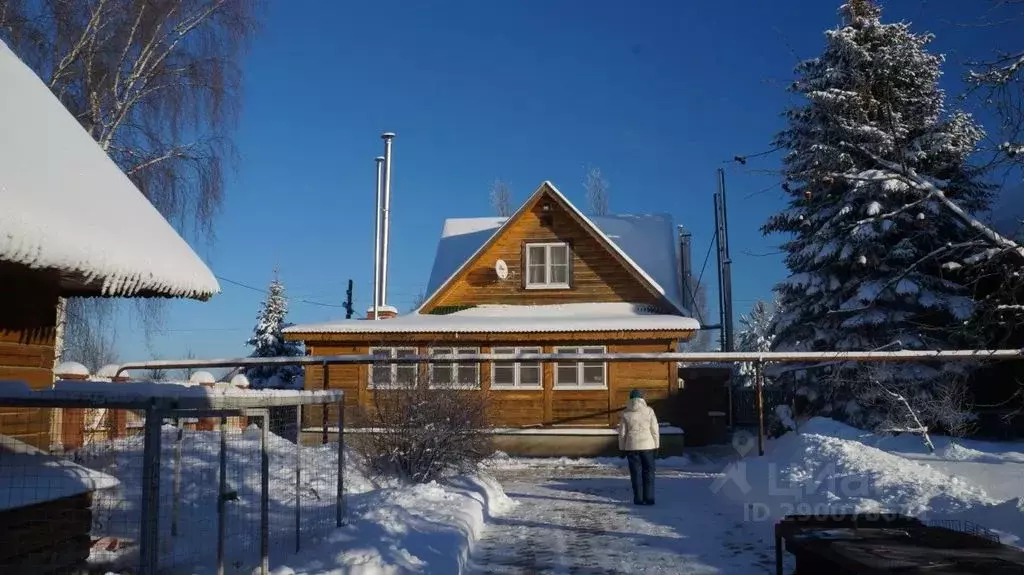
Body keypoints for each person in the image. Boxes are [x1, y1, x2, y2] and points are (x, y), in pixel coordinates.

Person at [618, 388, 660, 505]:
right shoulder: (649, 411)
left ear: (630, 398)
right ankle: (649, 498)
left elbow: (622, 433)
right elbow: (655, 430)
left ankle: (638, 498)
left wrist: (622, 448)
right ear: (642, 398)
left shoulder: (626, 413)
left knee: (635, 473)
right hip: (648, 446)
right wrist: (656, 446)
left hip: (631, 447)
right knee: (649, 472)